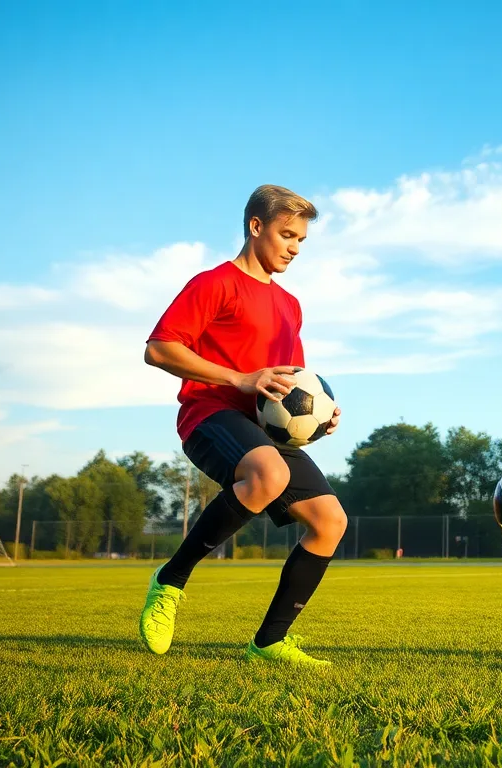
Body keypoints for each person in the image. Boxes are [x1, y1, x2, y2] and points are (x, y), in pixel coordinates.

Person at [137, 184, 346, 668]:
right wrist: (238, 378)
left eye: (301, 240)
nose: (294, 247)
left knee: (331, 522)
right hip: (209, 414)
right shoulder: (213, 284)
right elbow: (159, 348)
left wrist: (319, 415)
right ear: (256, 227)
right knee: (268, 475)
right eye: (286, 234)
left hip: (264, 431)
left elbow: (293, 381)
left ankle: (270, 641)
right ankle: (170, 581)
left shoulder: (291, 305)